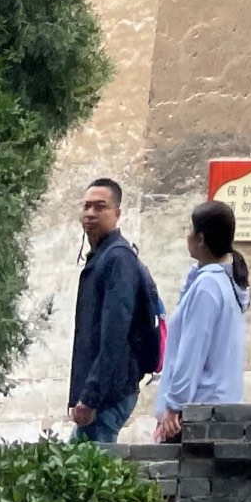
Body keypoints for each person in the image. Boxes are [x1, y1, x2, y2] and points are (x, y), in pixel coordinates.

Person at [68, 177, 163, 444]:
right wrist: (78, 396)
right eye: (86, 207)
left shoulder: (118, 260)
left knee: (86, 475)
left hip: (110, 395)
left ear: (117, 214)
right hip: (101, 395)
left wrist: (89, 398)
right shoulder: (103, 258)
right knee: (80, 470)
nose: (90, 213)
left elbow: (114, 335)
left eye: (100, 207)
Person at [152, 197, 249, 439]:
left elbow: (192, 351)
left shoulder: (208, 285)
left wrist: (175, 405)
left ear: (201, 239)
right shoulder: (224, 282)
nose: (187, 235)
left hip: (195, 412)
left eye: (190, 229)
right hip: (217, 407)